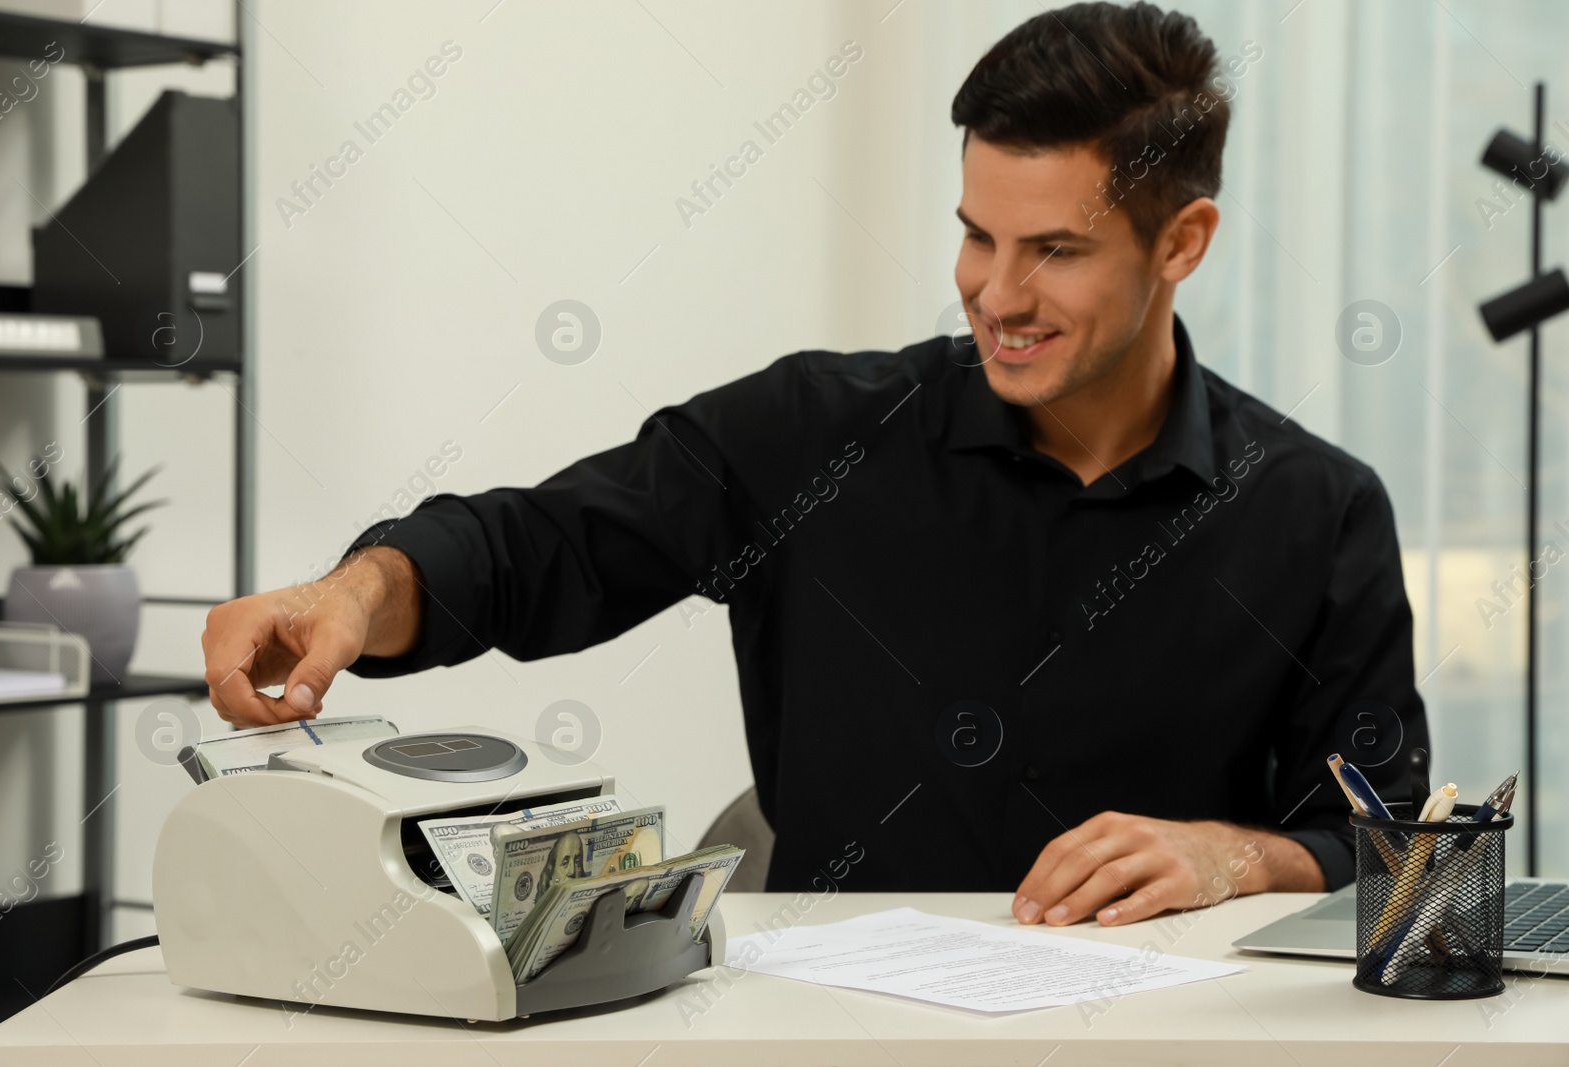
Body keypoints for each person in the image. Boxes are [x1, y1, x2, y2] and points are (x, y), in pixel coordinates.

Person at [201, 1, 1427, 928]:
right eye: (974, 235)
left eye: (1053, 249)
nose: (994, 295)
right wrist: (354, 593)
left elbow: (1392, 852)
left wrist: (1236, 854)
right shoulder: (812, 434)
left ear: (1184, 241)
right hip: (841, 1032)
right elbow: (539, 545)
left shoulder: (1315, 510)